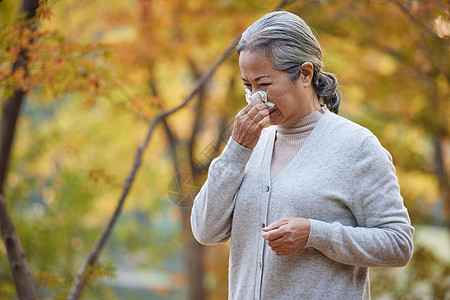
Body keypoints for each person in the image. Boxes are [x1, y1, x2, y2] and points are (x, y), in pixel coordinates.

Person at [190, 10, 414, 300]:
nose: (255, 98)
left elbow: (398, 244)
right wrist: (236, 149)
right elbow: (205, 230)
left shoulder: (356, 147)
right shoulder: (250, 145)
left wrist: (315, 234)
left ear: (305, 74)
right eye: (248, 86)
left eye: (265, 84)